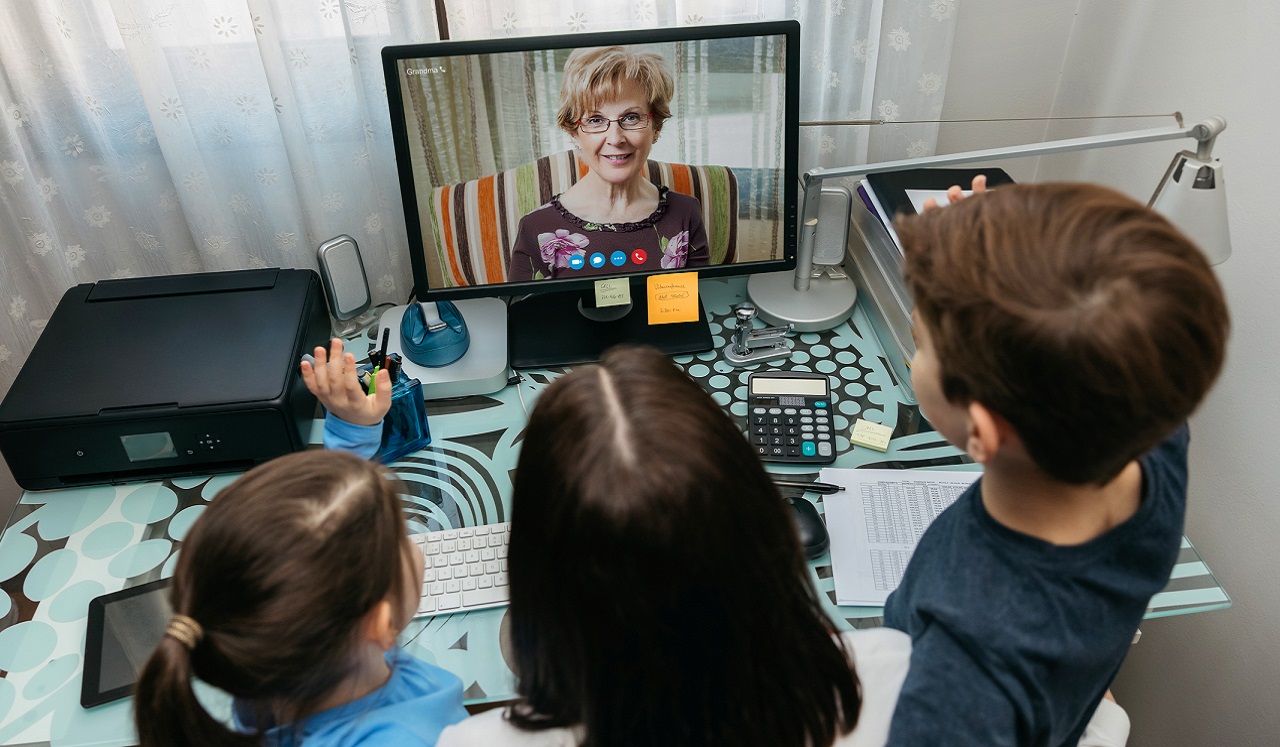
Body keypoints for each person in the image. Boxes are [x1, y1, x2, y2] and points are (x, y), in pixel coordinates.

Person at [434, 345, 1134, 747]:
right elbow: (1098, 724)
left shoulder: (473, 744)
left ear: (537, 573)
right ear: (763, 537)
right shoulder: (895, 677)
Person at [880, 182, 1230, 746]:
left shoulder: (967, 670)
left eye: (919, 343)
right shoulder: (1151, 443)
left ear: (982, 432)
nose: (914, 351)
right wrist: (978, 244)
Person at [132, 344, 468, 746]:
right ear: (380, 625)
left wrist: (351, 428)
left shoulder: (279, 676)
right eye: (404, 533)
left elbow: (317, 534)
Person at [507, 46, 710, 281]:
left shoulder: (686, 213)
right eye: (595, 120)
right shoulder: (536, 228)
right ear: (574, 132)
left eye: (631, 117)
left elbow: (694, 307)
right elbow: (525, 316)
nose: (615, 138)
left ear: (657, 128)